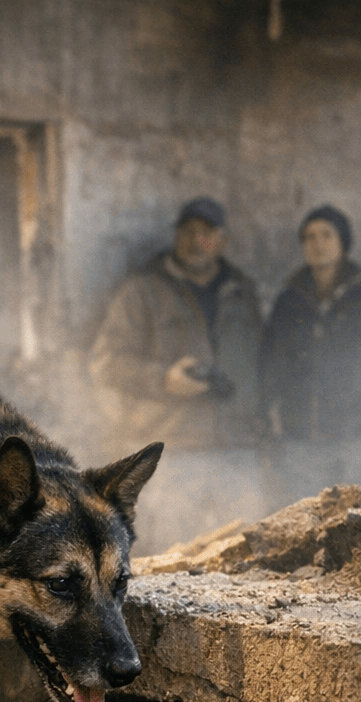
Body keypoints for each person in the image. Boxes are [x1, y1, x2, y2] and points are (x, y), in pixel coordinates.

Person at [87, 196, 268, 552]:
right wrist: (163, 379)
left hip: (238, 449)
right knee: (174, 560)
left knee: (244, 563)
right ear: (176, 237)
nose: (195, 240)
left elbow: (262, 364)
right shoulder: (143, 291)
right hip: (175, 453)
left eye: (206, 232)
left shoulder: (243, 292)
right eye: (187, 231)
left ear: (222, 241)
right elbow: (106, 363)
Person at [260, 204, 361, 496]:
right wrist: (271, 422)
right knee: (307, 525)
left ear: (343, 241)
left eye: (326, 235)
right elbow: (270, 364)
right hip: (303, 439)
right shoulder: (288, 301)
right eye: (309, 237)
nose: (318, 244)